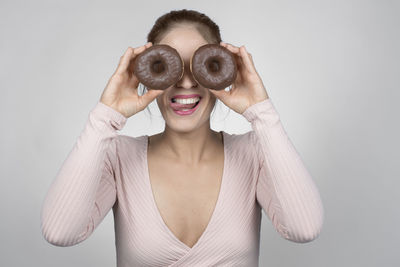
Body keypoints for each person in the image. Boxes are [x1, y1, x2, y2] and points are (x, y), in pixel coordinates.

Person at [41, 9, 324, 267]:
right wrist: (106, 115)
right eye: (168, 66)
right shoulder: (118, 158)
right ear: (148, 73)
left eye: (203, 65)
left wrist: (261, 111)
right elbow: (60, 232)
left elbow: (303, 228)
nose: (185, 82)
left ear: (220, 70)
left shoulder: (254, 154)